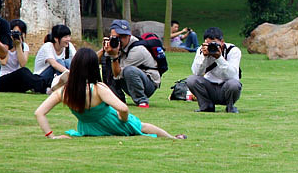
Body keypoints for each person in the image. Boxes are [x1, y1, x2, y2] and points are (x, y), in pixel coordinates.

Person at [34, 48, 185, 139]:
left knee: (142, 127)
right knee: (142, 126)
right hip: (114, 124)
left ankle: (172, 137)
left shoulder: (65, 91)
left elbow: (39, 113)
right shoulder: (98, 88)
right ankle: (172, 138)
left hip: (87, 129)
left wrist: (51, 136)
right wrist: (124, 119)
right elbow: (123, 108)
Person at [101, 20, 160, 108]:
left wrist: (114, 56)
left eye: (123, 36)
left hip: (148, 84)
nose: (120, 40)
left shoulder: (138, 50)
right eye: (116, 37)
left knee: (129, 70)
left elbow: (117, 74)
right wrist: (104, 50)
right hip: (130, 81)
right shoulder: (114, 45)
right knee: (106, 63)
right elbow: (94, 60)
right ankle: (116, 97)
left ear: (129, 36)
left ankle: (142, 100)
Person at [187, 27, 242, 112]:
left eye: (215, 44)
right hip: (209, 87)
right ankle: (206, 106)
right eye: (209, 44)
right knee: (191, 80)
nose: (212, 47)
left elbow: (232, 74)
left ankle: (230, 107)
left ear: (222, 42)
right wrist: (204, 57)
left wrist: (219, 58)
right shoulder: (201, 50)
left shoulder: (233, 51)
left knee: (234, 84)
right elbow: (196, 73)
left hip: (227, 88)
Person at [0, 19, 47, 94]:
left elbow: (22, 63)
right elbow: (3, 62)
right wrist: (9, 44)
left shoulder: (24, 46)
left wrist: (18, 46)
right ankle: (44, 88)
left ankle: (46, 86)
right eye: (13, 32)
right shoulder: (2, 44)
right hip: (2, 79)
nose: (15, 35)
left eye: (18, 33)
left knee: (34, 76)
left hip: (17, 79)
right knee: (24, 72)